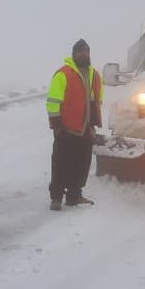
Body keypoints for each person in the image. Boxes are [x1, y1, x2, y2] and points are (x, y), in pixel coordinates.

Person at [46, 39, 103, 210]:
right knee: (60, 163)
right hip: (66, 128)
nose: (83, 54)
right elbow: (53, 101)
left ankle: (74, 196)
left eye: (86, 51)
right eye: (80, 51)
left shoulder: (94, 75)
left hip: (84, 128)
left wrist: (92, 124)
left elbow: (96, 101)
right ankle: (56, 198)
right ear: (74, 54)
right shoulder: (64, 74)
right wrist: (57, 126)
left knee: (81, 163)